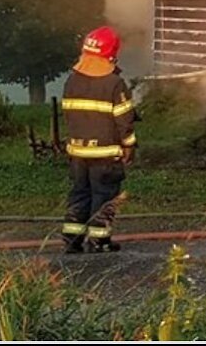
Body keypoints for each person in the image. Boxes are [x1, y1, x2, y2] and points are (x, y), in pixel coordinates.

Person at [62, 26, 136, 254]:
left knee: (80, 192)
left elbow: (69, 116)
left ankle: (72, 239)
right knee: (104, 196)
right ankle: (98, 241)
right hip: (105, 155)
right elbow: (124, 120)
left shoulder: (71, 81)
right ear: (111, 54)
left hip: (77, 153)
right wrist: (129, 145)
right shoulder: (114, 84)